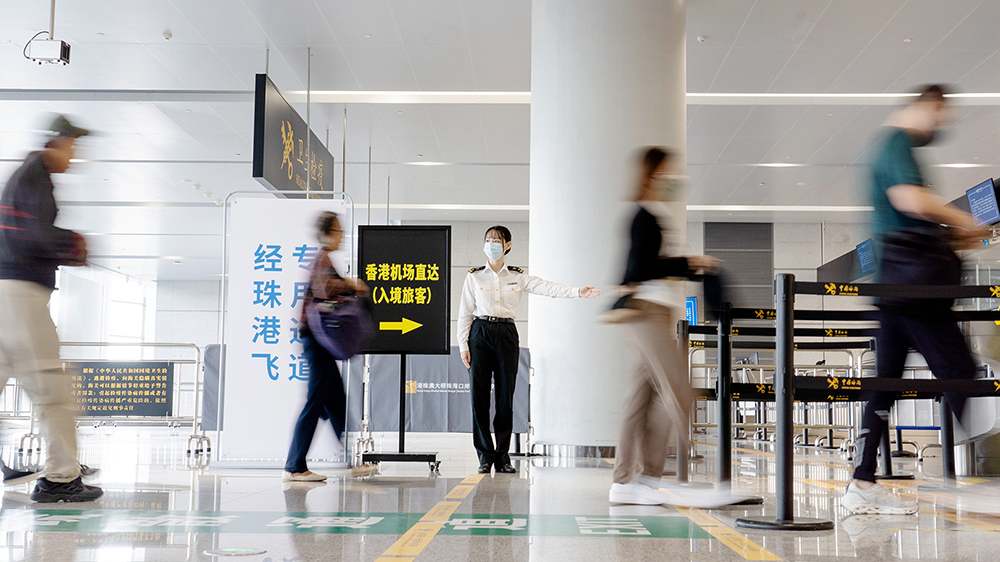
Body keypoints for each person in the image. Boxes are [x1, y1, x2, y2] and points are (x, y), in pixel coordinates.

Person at [841, 85, 988, 515]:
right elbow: (909, 199)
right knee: (959, 371)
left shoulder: (887, 145)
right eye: (940, 114)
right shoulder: (897, 142)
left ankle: (862, 483)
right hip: (913, 287)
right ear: (927, 105)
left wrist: (952, 235)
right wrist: (965, 219)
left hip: (895, 284)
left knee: (884, 387)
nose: (942, 124)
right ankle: (965, 475)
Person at [608, 147, 720, 506]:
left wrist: (686, 264)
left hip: (655, 311)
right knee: (680, 390)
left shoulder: (653, 213)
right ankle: (642, 478)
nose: (674, 180)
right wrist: (688, 263)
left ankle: (630, 482)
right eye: (668, 174)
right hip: (646, 311)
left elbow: (644, 264)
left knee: (641, 398)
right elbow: (640, 268)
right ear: (652, 175)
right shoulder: (643, 215)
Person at [0, 115, 102, 502]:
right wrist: (72, 244)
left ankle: (61, 472)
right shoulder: (34, 176)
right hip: (21, 296)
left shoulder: (28, 177)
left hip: (7, 292)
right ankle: (61, 478)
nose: (74, 157)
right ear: (56, 143)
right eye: (73, 147)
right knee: (52, 391)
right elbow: (32, 235)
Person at [458, 226, 600, 474]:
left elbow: (545, 287)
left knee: (505, 398)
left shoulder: (517, 276)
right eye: (488, 240)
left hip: (507, 334)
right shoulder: (474, 277)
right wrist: (463, 345)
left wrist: (577, 292)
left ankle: (502, 456)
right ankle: (484, 455)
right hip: (480, 333)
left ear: (508, 245)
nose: (491, 244)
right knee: (478, 398)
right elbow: (465, 314)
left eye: (497, 240)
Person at [283, 212, 375, 482]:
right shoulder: (321, 259)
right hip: (316, 341)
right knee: (315, 401)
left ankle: (349, 462)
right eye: (338, 231)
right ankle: (295, 466)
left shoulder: (325, 259)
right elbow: (325, 289)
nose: (341, 236)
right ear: (326, 233)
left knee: (335, 402)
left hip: (319, 341)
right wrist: (352, 284)